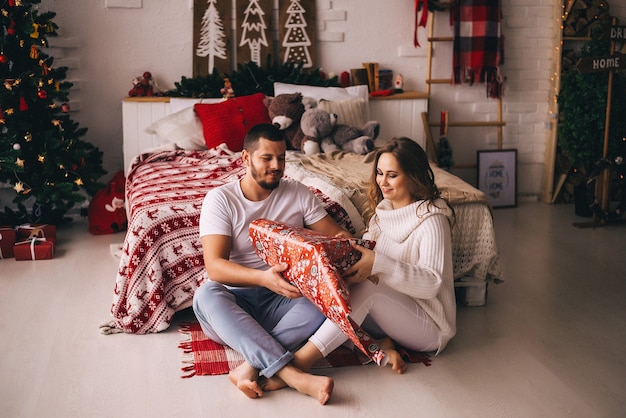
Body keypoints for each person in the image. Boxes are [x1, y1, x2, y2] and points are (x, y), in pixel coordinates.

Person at [192, 123, 350, 404]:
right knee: (206, 294)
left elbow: (336, 236)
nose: (276, 166)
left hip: (285, 301)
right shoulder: (221, 200)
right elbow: (215, 267)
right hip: (234, 307)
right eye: (267, 158)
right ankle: (294, 377)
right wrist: (263, 278)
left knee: (327, 294)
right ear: (245, 158)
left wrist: (348, 247)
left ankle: (250, 364)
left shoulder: (298, 193)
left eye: (281, 158)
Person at [291, 137, 457, 375]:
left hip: (429, 325)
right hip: (393, 312)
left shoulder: (432, 220)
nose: (382, 182)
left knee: (367, 291)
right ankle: (379, 344)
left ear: (413, 176)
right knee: (333, 287)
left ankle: (300, 362)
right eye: (379, 173)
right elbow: (369, 257)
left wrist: (378, 264)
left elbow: (431, 284)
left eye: (392, 175)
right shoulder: (383, 214)